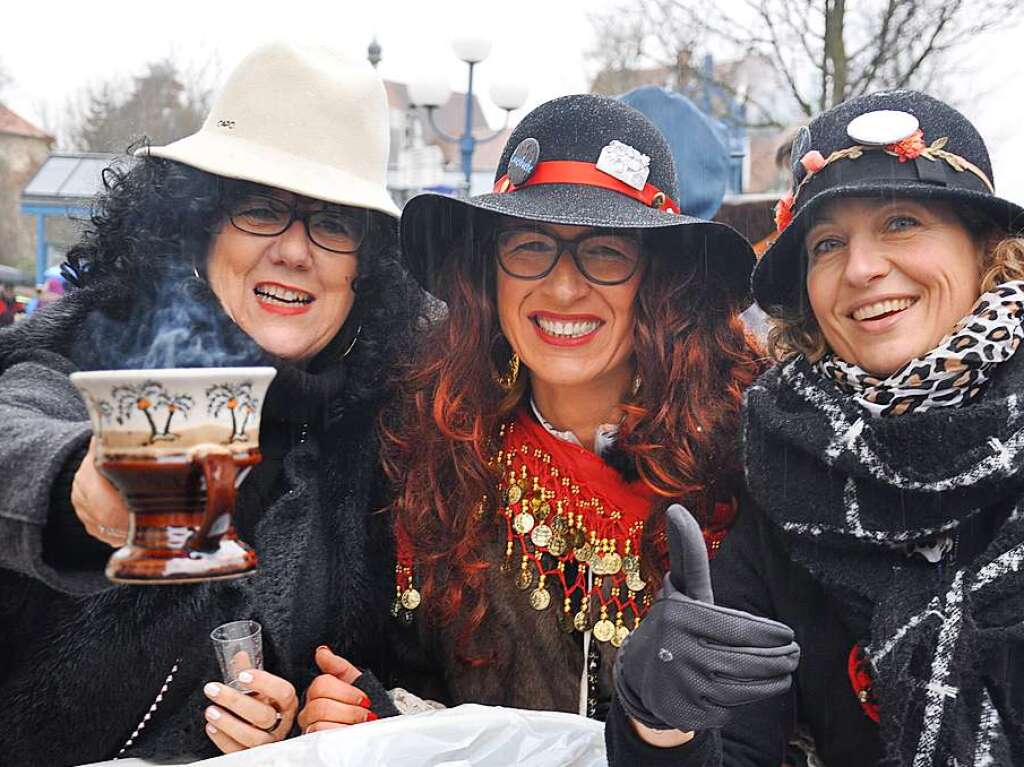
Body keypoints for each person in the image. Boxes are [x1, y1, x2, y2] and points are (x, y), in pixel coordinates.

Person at [298, 94, 800, 762]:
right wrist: (367, 711)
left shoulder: (746, 457)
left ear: (657, 280)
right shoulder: (428, 443)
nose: (564, 289)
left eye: (606, 252)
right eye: (531, 246)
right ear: (489, 274)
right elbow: (400, 672)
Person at [0, 43, 422, 765]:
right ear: (201, 227)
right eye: (261, 209)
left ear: (366, 266)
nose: (294, 251)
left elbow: (417, 670)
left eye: (332, 222)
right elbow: (16, 425)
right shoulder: (95, 346)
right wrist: (90, 488)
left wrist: (329, 714)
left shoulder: (386, 430)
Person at [702, 90, 1024, 766]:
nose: (861, 268)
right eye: (828, 243)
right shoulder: (783, 466)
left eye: (901, 221)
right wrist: (660, 729)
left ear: (985, 249)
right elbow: (733, 746)